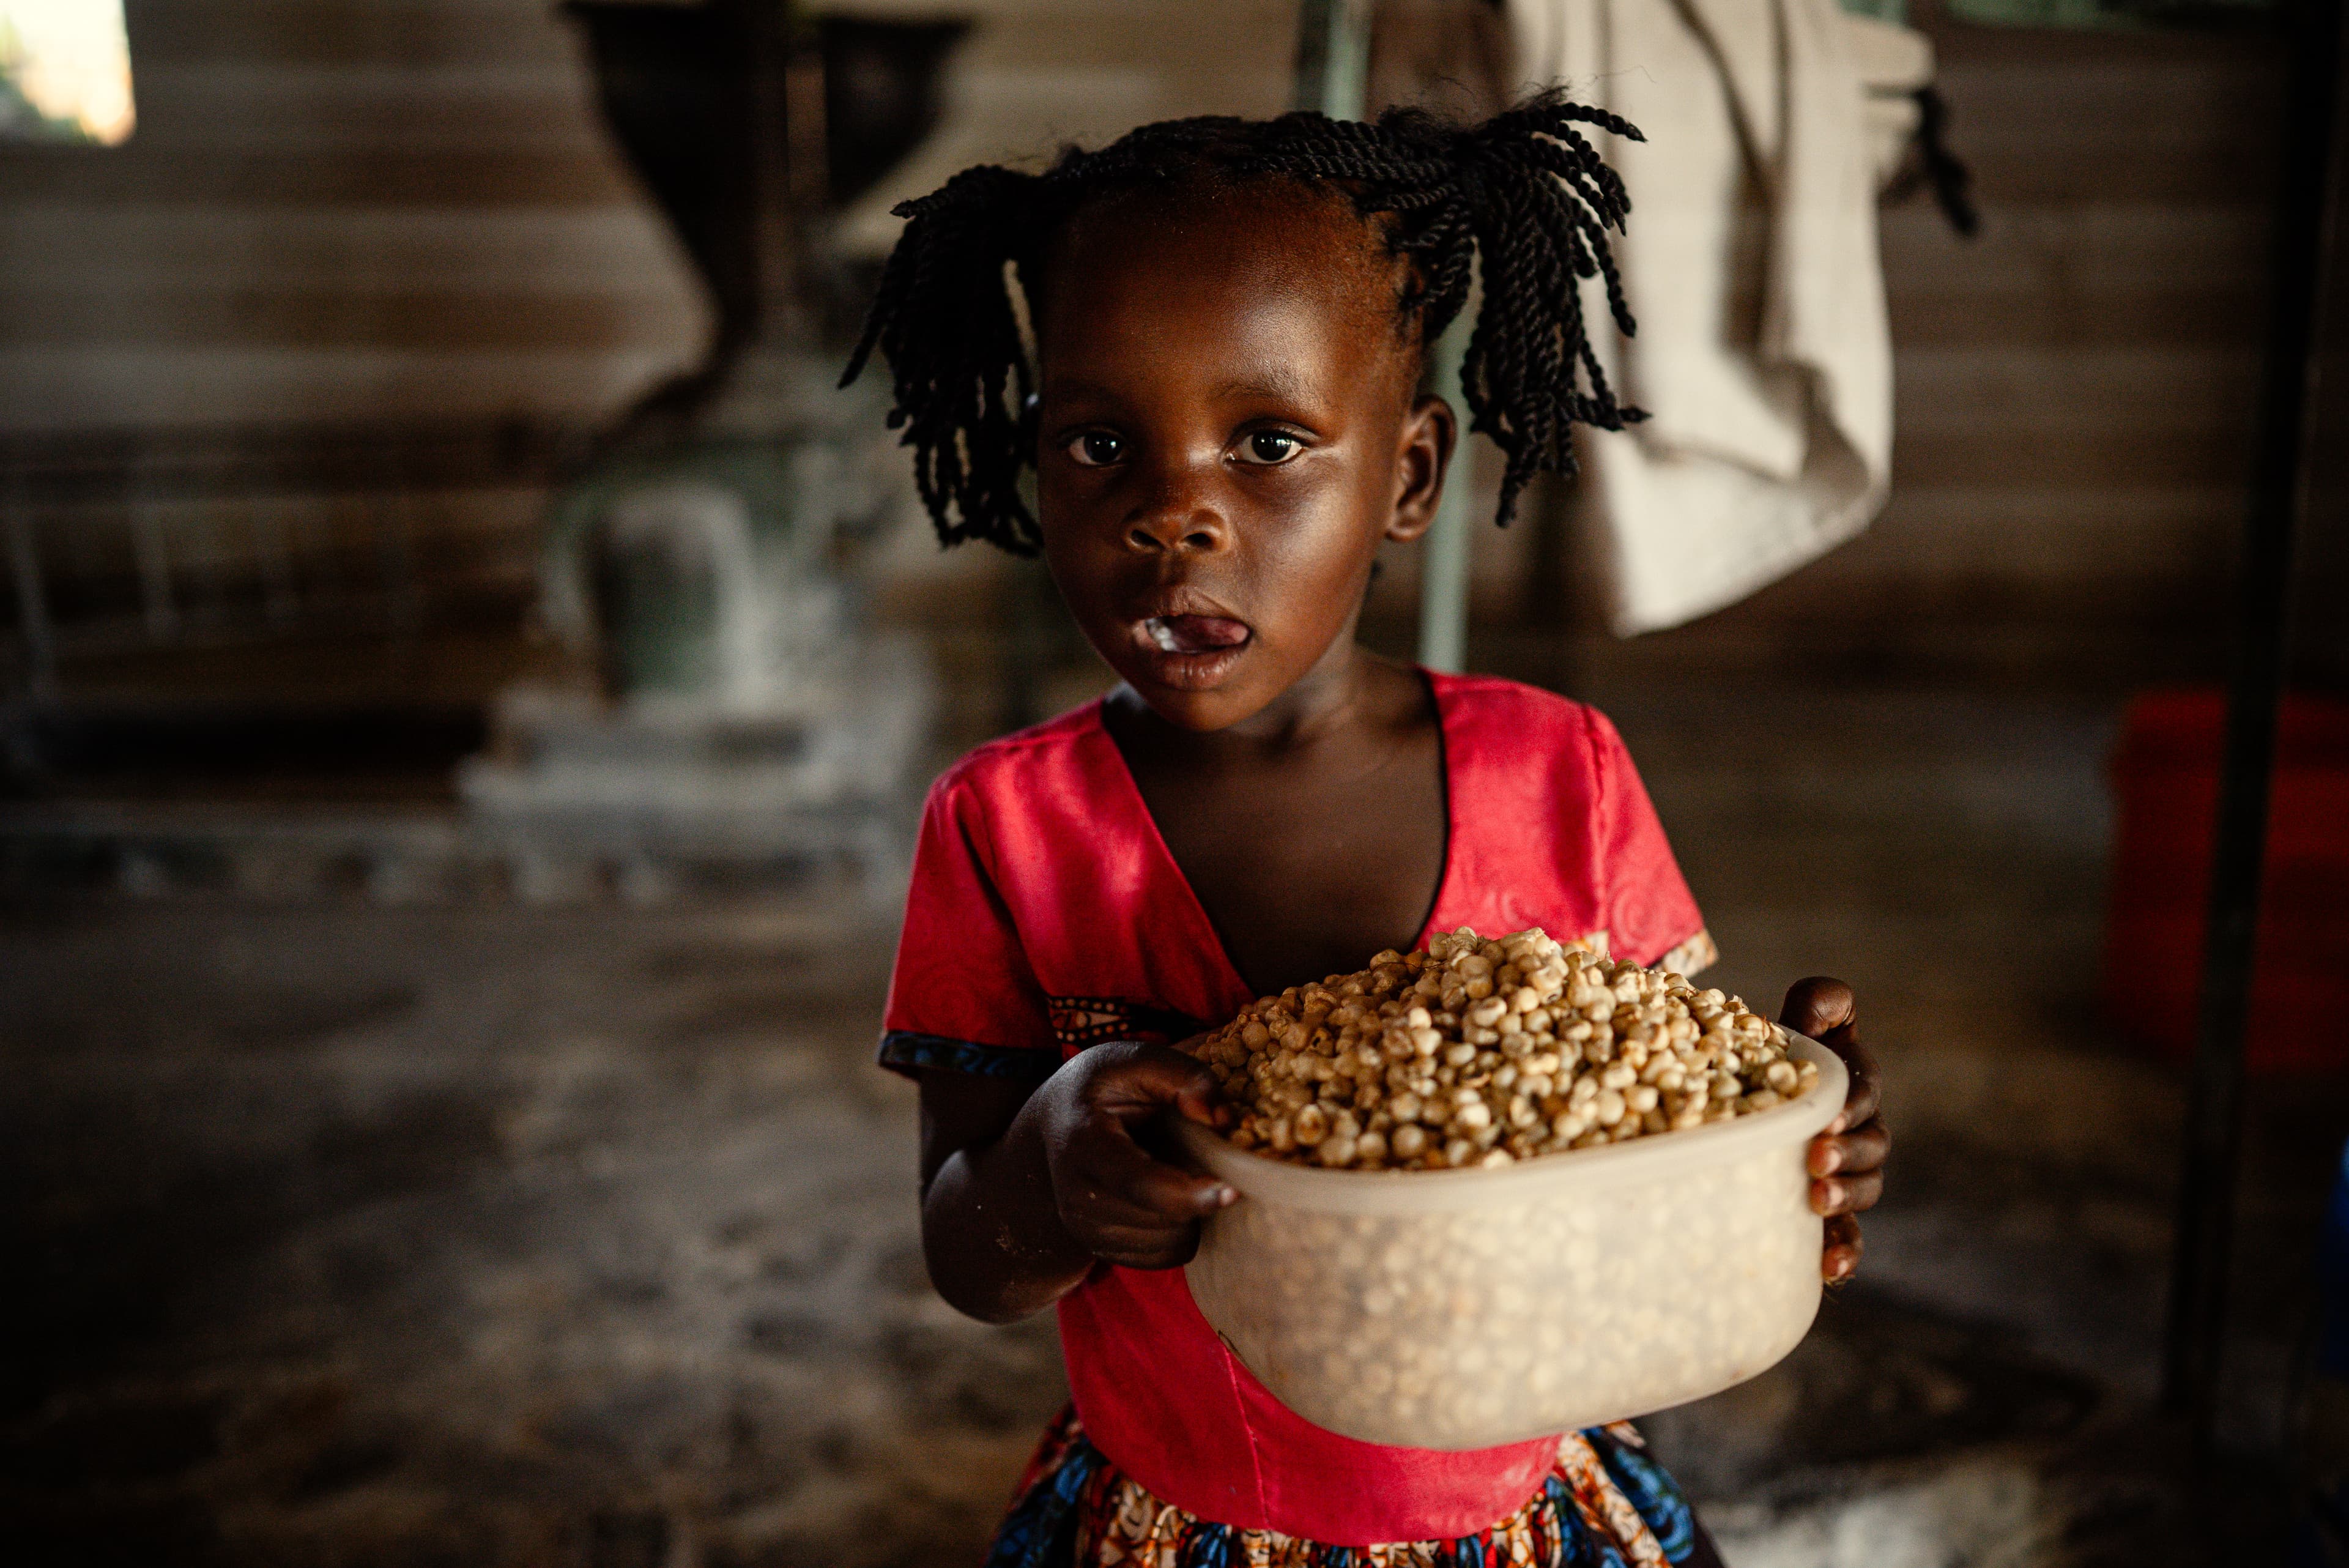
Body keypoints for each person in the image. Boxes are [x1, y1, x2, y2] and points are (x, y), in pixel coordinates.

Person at [846, 92, 1890, 1568]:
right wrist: (1048, 1170)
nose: (1173, 517)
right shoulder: (1009, 828)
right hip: (1183, 1512)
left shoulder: (1559, 771)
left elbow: (1657, 1134)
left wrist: (1797, 1151)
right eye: (1096, 444)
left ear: (1407, 476)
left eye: (1265, 442)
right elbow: (966, 1251)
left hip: (1523, 1517)